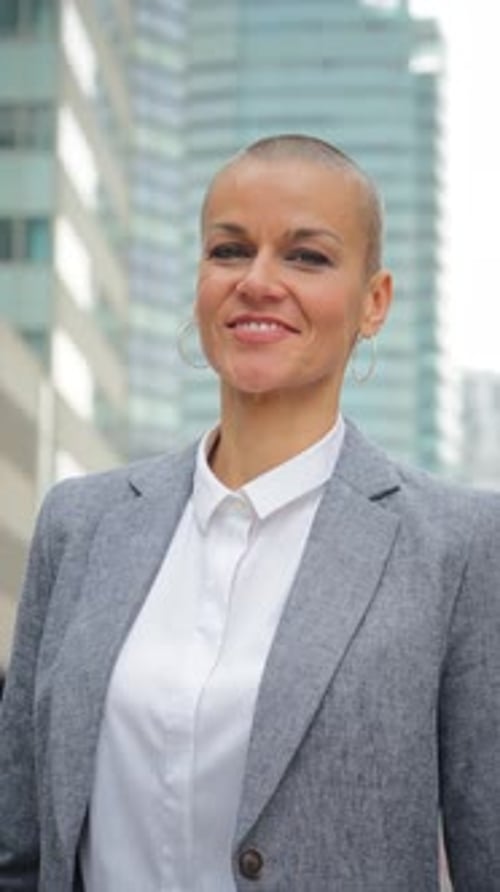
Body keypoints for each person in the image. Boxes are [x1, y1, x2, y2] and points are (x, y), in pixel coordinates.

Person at [1, 134, 499, 892]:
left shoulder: (459, 548)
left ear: (374, 302)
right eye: (229, 251)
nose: (258, 281)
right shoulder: (79, 525)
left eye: (307, 256)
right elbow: (19, 842)